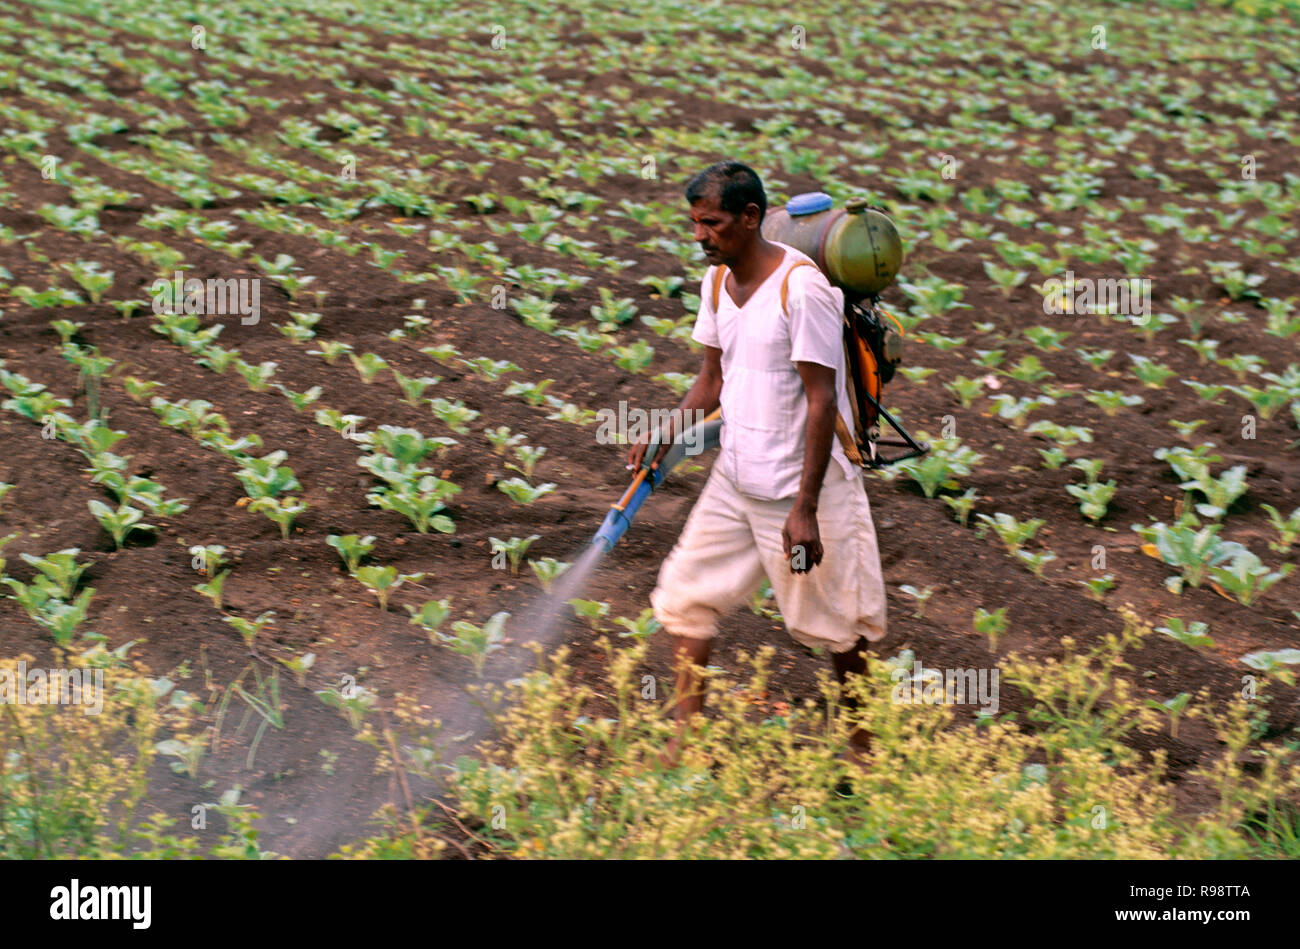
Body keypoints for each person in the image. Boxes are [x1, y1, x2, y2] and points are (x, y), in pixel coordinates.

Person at [627, 160, 888, 770]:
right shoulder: (717, 284)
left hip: (803, 488)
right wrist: (666, 432)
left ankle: (864, 753)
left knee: (839, 627)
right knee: (686, 595)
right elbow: (711, 379)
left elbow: (823, 399)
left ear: (750, 218)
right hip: (736, 476)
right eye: (694, 223)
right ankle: (684, 745)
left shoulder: (802, 291)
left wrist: (804, 511)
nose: (700, 235)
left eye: (711, 223)